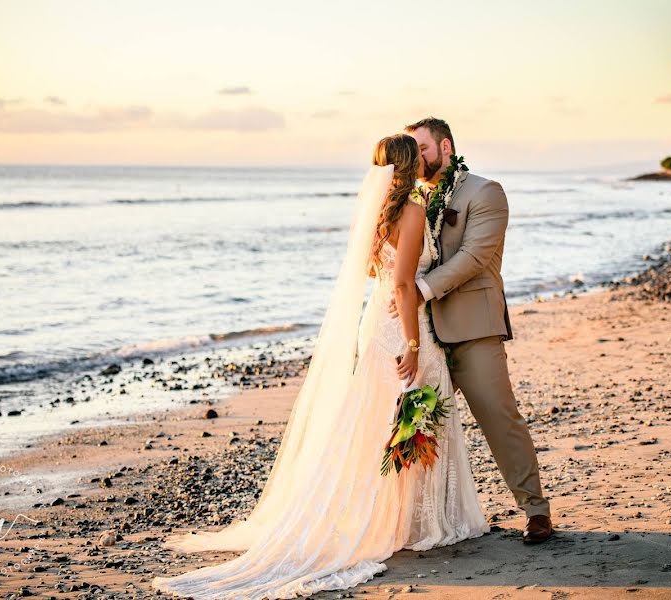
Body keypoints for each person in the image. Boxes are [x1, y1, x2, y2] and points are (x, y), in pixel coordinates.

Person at [152, 133, 490, 599]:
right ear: (411, 163)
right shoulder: (411, 210)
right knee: (409, 412)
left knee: (378, 421)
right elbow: (406, 286)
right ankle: (416, 523)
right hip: (402, 326)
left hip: (376, 324)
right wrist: (412, 343)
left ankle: (401, 516)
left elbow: (384, 277)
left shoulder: (379, 213)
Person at [395, 117, 552, 543]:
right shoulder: (409, 200)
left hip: (472, 329)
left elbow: (474, 257)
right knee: (417, 427)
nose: (416, 159)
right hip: (422, 335)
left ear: (446, 147)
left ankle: (536, 510)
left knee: (500, 420)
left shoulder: (485, 192)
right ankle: (421, 520)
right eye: (410, 151)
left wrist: (419, 291)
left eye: (422, 149)